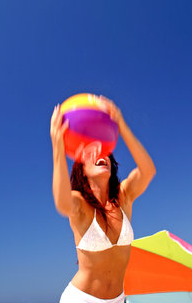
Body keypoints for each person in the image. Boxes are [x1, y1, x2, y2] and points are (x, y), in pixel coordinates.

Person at [50, 96, 156, 303]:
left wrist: (121, 125)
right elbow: (62, 204)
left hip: (119, 299)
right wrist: (58, 149)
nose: (100, 155)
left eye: (105, 153)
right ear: (82, 172)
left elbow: (148, 171)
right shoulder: (79, 204)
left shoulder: (124, 197)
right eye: (91, 154)